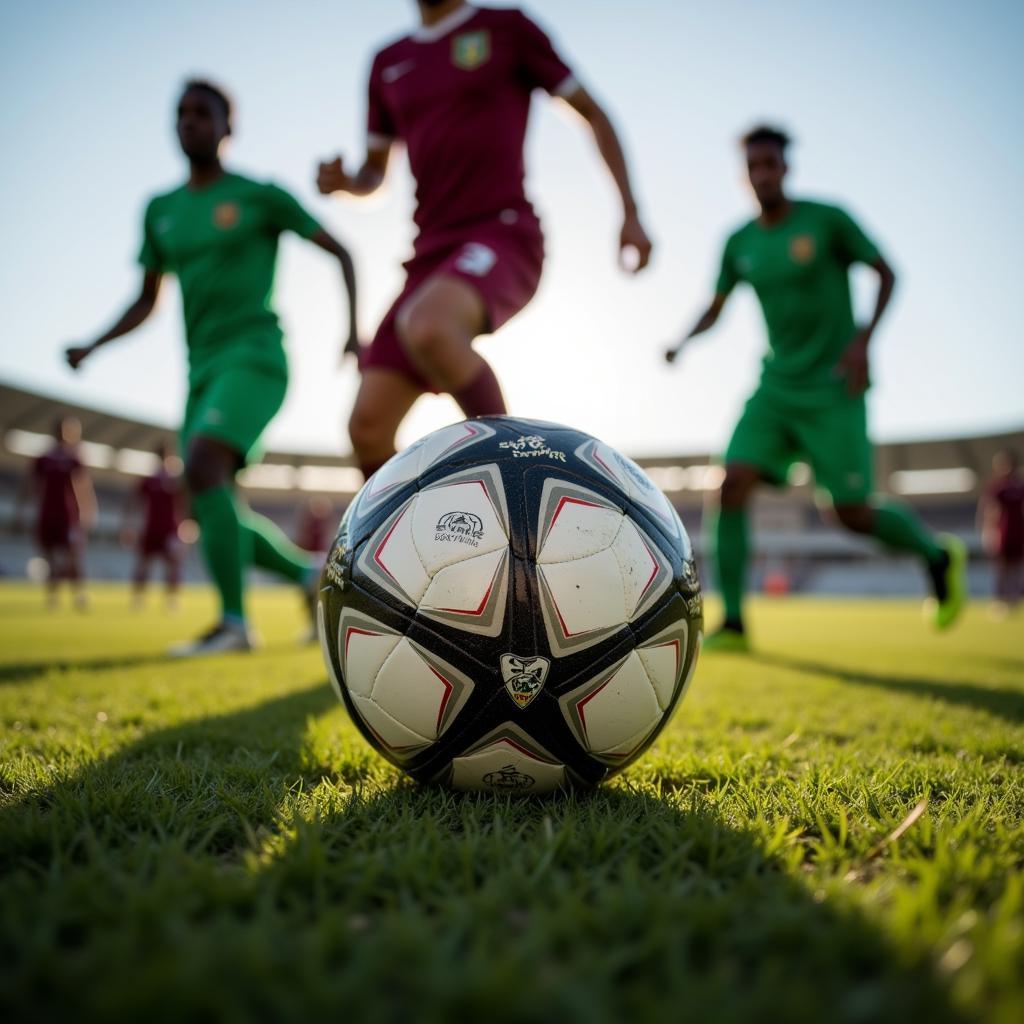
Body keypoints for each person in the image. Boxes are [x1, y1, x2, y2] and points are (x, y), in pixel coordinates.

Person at [66, 79, 359, 656]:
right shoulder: (161, 211)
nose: (189, 122)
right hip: (200, 373)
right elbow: (146, 299)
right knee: (210, 499)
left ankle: (233, 625)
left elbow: (341, 249)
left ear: (229, 126)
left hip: (255, 358)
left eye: (203, 113)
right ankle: (307, 576)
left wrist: (354, 331)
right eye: (181, 113)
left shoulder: (260, 196)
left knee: (203, 465)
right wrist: (94, 345)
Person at [318, 0, 653, 479]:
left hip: (503, 232)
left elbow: (592, 112)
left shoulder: (507, 28)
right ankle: (420, 545)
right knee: (366, 426)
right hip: (428, 254)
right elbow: (375, 171)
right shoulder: (387, 61)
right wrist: (347, 182)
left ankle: (520, 487)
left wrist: (631, 212)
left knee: (430, 326)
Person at [666, 125, 966, 650]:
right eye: (753, 167)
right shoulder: (739, 243)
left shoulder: (827, 221)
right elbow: (714, 307)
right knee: (730, 482)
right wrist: (682, 341)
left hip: (833, 388)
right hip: (776, 387)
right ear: (744, 176)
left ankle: (937, 556)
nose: (762, 174)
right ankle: (734, 621)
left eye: (770, 164)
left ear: (786, 168)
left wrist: (863, 342)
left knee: (850, 512)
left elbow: (886, 273)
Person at [15, 417, 95, 609]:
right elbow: (30, 484)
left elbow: (83, 487)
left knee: (73, 556)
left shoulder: (74, 458)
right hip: (47, 514)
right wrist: (21, 509)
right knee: (49, 557)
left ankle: (78, 594)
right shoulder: (44, 459)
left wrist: (86, 511)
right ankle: (53, 596)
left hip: (69, 517)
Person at [123, 441, 184, 609]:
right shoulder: (149, 480)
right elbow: (134, 502)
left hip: (171, 529)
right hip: (151, 528)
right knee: (144, 563)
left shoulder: (176, 481)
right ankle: (138, 598)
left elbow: (185, 505)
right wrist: (129, 525)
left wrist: (186, 527)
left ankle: (171, 600)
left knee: (172, 564)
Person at [978, 450, 1024, 614]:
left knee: (1017, 569)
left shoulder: (1020, 486)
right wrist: (988, 532)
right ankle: (999, 601)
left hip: (1019, 534)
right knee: (1001, 569)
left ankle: (1015, 601)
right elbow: (990, 510)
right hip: (1003, 534)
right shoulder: (997, 487)